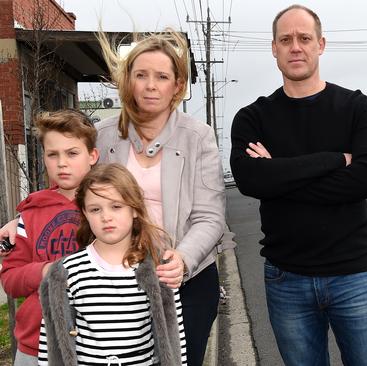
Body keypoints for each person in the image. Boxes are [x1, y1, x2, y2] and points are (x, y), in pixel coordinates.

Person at [230, 4, 367, 365]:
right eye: (286, 40)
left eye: (304, 38)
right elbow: (250, 179)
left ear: (321, 44)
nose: (295, 47)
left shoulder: (358, 108)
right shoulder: (253, 117)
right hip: (287, 278)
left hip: (354, 276)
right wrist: (334, 160)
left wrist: (279, 176)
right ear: (274, 49)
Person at [94, 29, 225, 365]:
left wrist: (183, 258)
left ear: (177, 86)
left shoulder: (199, 137)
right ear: (129, 81)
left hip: (188, 283)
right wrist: (19, 220)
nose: (151, 85)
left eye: (162, 76)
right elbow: (72, 192)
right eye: (141, 75)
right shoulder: (103, 135)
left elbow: (210, 216)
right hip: (119, 282)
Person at [38, 163, 187, 366]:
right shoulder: (66, 272)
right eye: (95, 209)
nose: (106, 217)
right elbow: (50, 346)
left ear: (134, 209)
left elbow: (174, 341)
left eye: (116, 206)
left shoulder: (158, 271)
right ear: (85, 213)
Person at [0, 110, 99, 365]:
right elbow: (11, 281)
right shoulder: (30, 213)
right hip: (35, 345)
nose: (62, 163)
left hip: (96, 343)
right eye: (52, 154)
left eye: (72, 153)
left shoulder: (108, 208)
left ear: (92, 156)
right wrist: (45, 271)